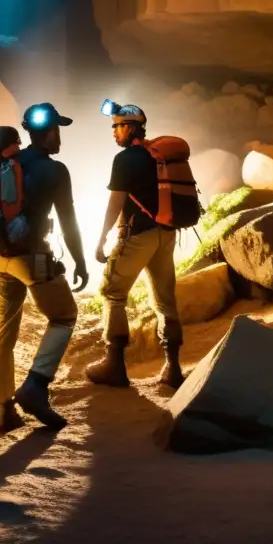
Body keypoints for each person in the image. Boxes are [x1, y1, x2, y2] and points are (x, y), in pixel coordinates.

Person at [0, 103, 89, 431]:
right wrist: (80, 260)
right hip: (32, 257)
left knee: (4, 331)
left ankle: (3, 409)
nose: (59, 137)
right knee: (64, 316)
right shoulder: (55, 170)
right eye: (57, 130)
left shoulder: (7, 162)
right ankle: (36, 385)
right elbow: (68, 220)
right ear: (48, 133)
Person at [85, 103, 184, 389]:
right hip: (166, 234)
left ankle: (114, 365)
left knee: (113, 293)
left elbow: (116, 202)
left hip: (138, 235)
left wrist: (101, 237)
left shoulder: (125, 159)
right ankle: (173, 368)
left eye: (117, 126)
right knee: (165, 300)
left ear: (129, 127)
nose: (114, 132)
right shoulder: (159, 156)